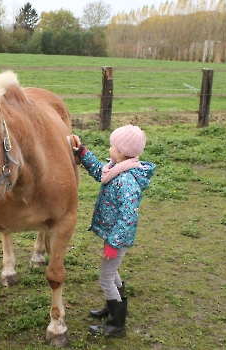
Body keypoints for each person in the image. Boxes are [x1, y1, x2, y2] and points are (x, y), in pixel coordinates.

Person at [72, 125, 155, 338]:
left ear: (121, 151)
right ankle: (113, 307)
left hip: (117, 239)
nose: (109, 148)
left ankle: (117, 324)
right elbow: (100, 171)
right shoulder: (116, 168)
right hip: (113, 236)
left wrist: (112, 244)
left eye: (112, 146)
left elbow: (128, 217)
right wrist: (82, 151)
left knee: (105, 278)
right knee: (112, 273)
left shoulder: (127, 181)